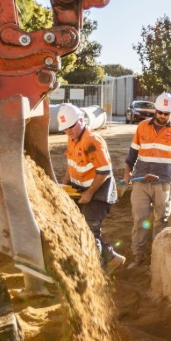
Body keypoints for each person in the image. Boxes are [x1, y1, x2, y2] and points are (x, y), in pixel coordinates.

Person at [58, 103, 125, 275]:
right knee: (79, 226)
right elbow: (71, 164)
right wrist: (64, 184)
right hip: (81, 188)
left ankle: (98, 269)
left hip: (99, 190)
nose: (69, 131)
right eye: (65, 128)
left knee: (89, 228)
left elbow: (104, 171)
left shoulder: (92, 140)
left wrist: (89, 193)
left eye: (71, 126)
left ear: (81, 120)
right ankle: (109, 258)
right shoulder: (72, 138)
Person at [124, 92, 171, 268]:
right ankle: (138, 256)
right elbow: (132, 154)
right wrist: (127, 173)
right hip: (141, 180)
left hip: (163, 182)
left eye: (166, 113)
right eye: (159, 112)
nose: (162, 116)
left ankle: (157, 261)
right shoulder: (142, 127)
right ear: (155, 110)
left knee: (161, 220)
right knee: (140, 219)